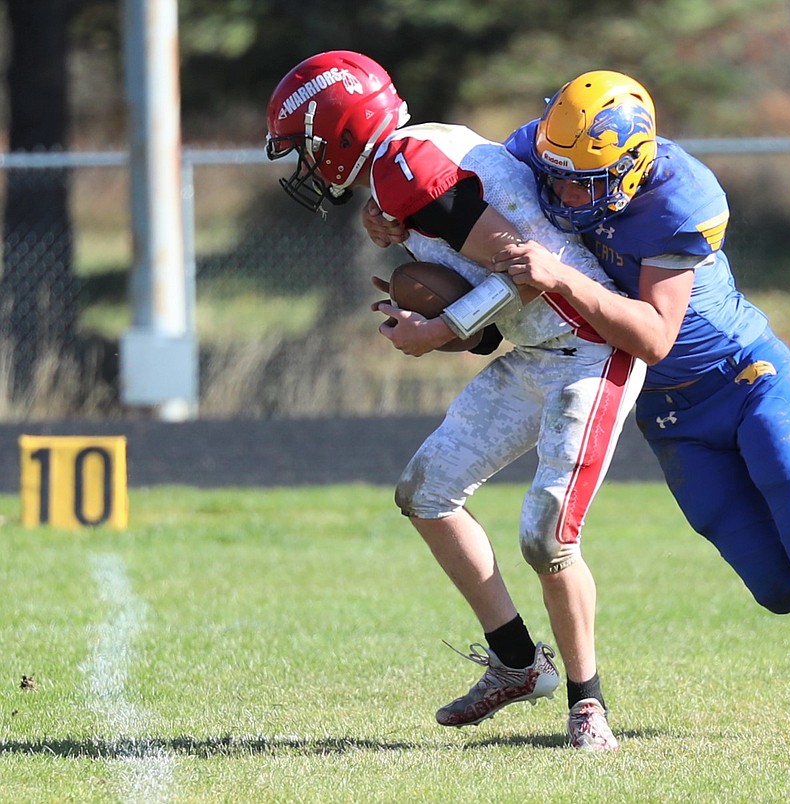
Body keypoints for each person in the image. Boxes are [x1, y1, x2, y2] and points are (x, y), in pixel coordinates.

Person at [412, 70, 790, 629]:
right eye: (554, 172)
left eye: (581, 181)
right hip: (668, 412)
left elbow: (655, 336)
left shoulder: (679, 196)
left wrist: (561, 278)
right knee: (782, 592)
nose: (561, 191)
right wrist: (395, 213)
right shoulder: (548, 151)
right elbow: (463, 176)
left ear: (632, 167)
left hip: (742, 378)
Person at [267, 51, 646, 751]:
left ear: (344, 131)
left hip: (588, 349)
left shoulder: (405, 165)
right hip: (540, 350)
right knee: (426, 491)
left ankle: (586, 704)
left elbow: (529, 271)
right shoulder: (411, 156)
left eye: (310, 146)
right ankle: (514, 662)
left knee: (547, 538)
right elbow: (481, 263)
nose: (308, 165)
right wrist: (399, 237)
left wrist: (436, 329)